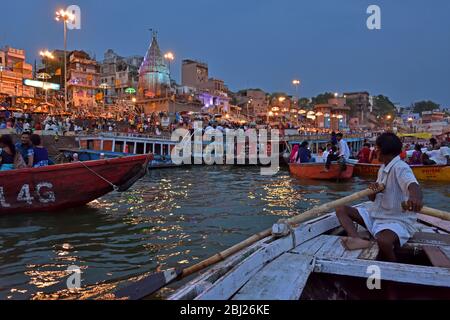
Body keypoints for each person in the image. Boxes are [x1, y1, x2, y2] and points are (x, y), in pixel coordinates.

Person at [336, 133, 423, 263]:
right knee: (341, 209)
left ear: (382, 150)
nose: (375, 151)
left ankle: (393, 266)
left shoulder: (401, 167)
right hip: (377, 216)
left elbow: (412, 185)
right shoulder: (382, 169)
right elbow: (372, 199)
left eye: (376, 148)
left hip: (396, 221)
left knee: (384, 241)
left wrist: (415, 197)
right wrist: (373, 191)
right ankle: (356, 239)